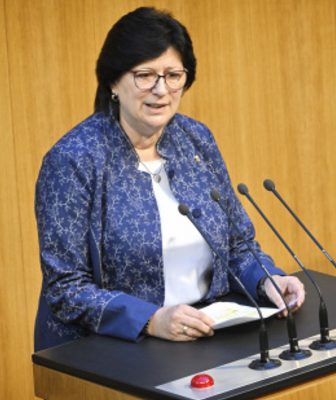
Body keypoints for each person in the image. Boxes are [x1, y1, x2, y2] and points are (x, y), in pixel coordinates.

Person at [34, 7, 305, 352]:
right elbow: (66, 287)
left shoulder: (196, 139)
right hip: (108, 350)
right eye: (145, 75)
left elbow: (237, 245)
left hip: (203, 335)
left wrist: (268, 280)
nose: (161, 90)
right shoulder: (73, 159)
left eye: (173, 75)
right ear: (114, 81)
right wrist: (150, 319)